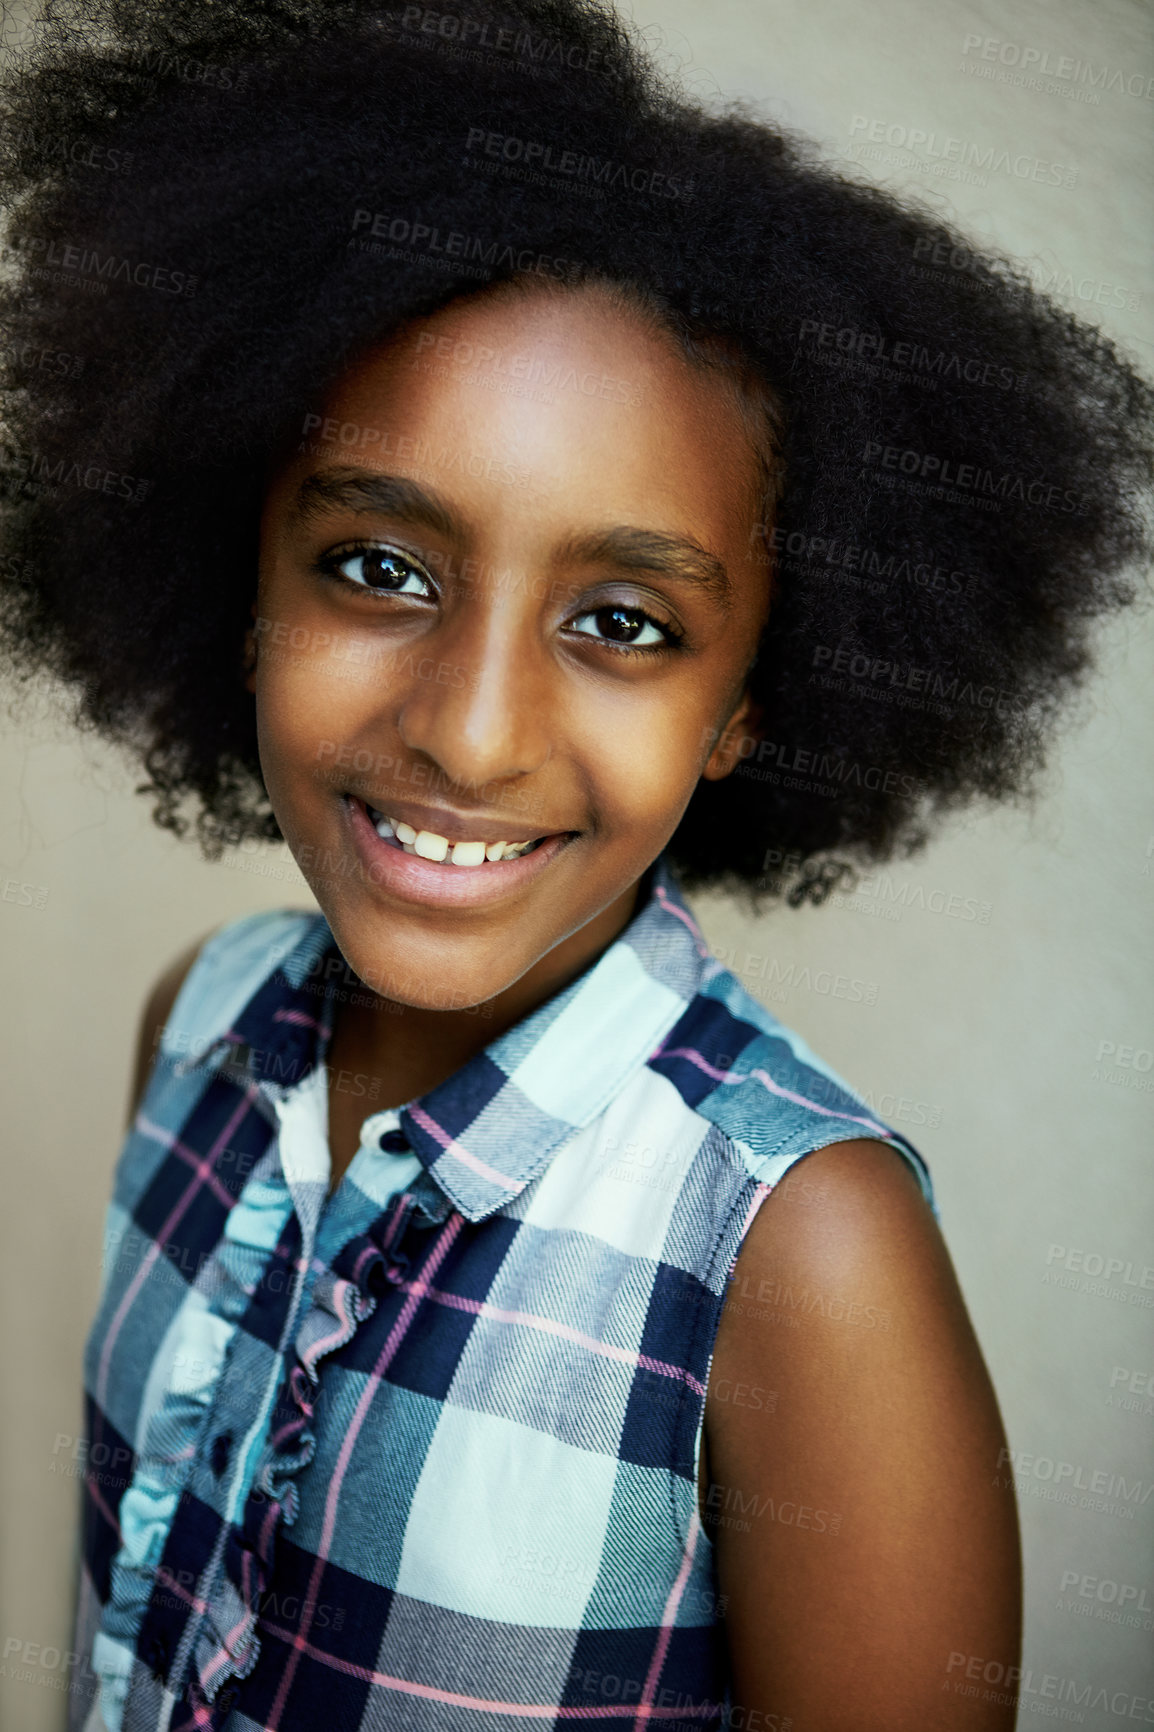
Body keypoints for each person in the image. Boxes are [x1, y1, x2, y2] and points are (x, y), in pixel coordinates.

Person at [1, 0, 1150, 1727]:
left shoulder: (795, 1252)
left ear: (751, 701)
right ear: (231, 571)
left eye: (623, 622)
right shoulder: (205, 1020)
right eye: (379, 570)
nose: (471, 735)